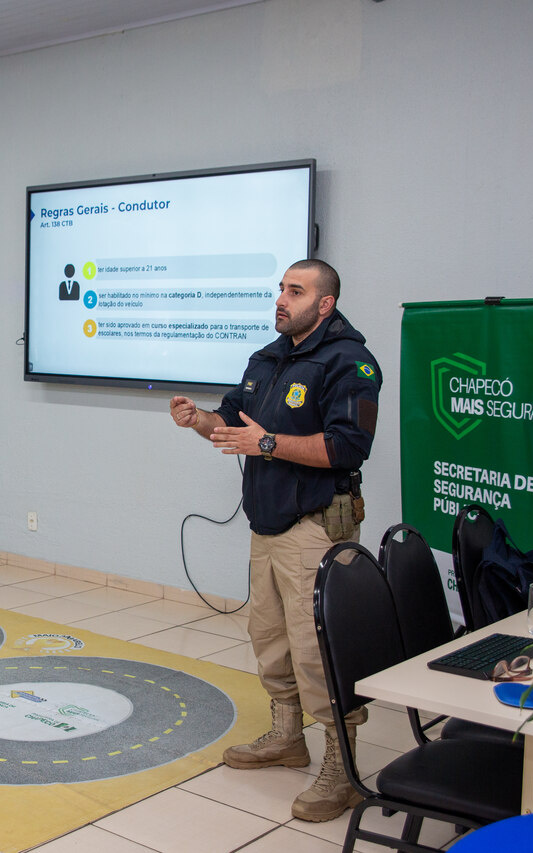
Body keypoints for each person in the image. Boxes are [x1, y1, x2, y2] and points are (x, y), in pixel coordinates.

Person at [169, 258, 381, 823]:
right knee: (269, 637)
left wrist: (267, 445)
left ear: (325, 304)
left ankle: (343, 770)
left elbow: (347, 448)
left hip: (315, 525)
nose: (282, 300)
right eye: (281, 289)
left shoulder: (350, 362)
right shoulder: (268, 358)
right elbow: (232, 423)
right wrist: (198, 419)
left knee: (317, 650)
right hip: (267, 523)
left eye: (296, 291)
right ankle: (288, 738)